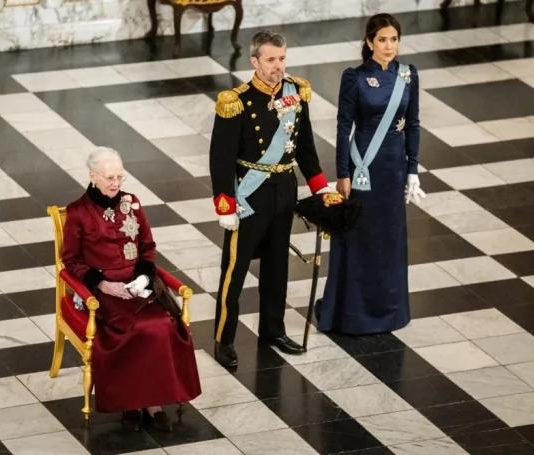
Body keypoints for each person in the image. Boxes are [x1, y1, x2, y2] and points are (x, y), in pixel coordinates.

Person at [209, 29, 332, 368]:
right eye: (271, 60)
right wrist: (225, 204)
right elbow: (220, 159)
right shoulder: (236, 101)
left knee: (277, 265)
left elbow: (304, 147)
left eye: (282, 59)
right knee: (234, 271)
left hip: (284, 190)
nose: (278, 66)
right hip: (250, 193)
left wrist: (320, 186)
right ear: (254, 61)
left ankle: (273, 330)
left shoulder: (296, 92)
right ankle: (224, 339)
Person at [61, 147, 201, 431]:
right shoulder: (78, 212)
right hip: (104, 292)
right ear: (93, 177)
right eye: (110, 178)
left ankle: (153, 402)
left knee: (163, 323)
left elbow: (147, 247)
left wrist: (144, 277)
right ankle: (130, 402)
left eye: (120, 177)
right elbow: (71, 261)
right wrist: (103, 284)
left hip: (138, 286)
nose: (116, 184)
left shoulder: (132, 202)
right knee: (136, 328)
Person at [315, 13, 426, 335]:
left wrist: (413, 170)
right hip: (363, 166)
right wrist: (343, 173)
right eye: (382, 39)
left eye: (393, 39)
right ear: (369, 42)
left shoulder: (408, 76)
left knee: (388, 239)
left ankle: (388, 311)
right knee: (359, 237)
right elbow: (342, 126)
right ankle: (352, 312)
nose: (389, 46)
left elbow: (414, 124)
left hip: (393, 169)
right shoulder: (355, 77)